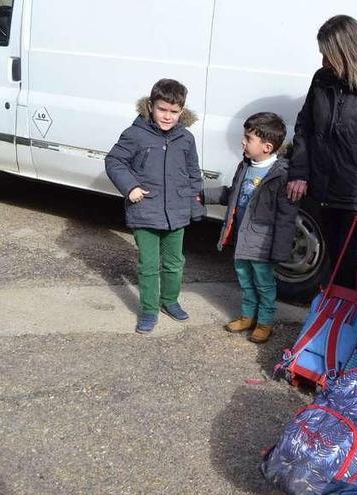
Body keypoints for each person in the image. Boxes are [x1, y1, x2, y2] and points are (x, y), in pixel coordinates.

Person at [286, 15, 357, 289]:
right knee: (331, 264)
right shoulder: (322, 79)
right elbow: (305, 126)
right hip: (322, 188)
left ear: (348, 52)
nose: (324, 63)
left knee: (350, 267)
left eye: (329, 56)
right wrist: (299, 171)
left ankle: (348, 325)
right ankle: (331, 320)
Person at [105, 79, 205, 334]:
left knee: (174, 262)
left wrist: (194, 205)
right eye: (162, 110)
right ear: (150, 106)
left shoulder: (186, 138)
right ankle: (149, 309)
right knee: (148, 265)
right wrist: (130, 187)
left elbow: (194, 173)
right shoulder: (135, 134)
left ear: (181, 111)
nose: (168, 116)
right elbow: (114, 161)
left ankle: (170, 300)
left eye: (174, 112)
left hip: (177, 212)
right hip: (145, 210)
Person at [203, 113, 299, 343]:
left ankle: (265, 322)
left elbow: (286, 217)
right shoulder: (244, 167)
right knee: (244, 280)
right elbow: (231, 193)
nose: (243, 142)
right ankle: (248, 316)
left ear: (267, 146)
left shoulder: (281, 175)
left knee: (264, 284)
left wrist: (280, 249)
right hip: (241, 239)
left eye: (248, 138)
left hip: (262, 244)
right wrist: (203, 194)